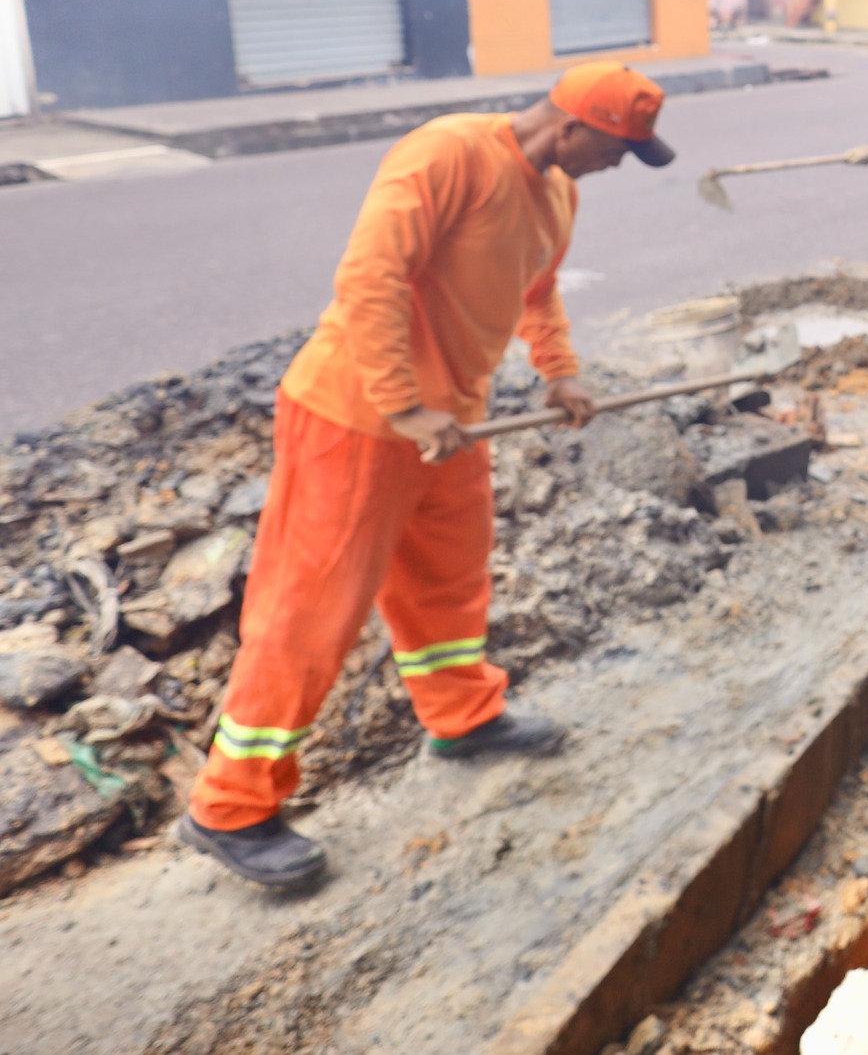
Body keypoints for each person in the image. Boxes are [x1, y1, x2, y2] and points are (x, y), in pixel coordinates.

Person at [180, 62, 674, 890]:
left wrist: (559, 374)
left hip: (451, 424)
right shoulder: (448, 154)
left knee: (446, 581)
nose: (619, 164)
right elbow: (369, 276)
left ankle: (462, 717)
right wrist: (404, 406)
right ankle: (229, 806)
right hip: (356, 417)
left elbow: (538, 291)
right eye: (617, 148)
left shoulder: (559, 193)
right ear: (571, 128)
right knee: (310, 609)